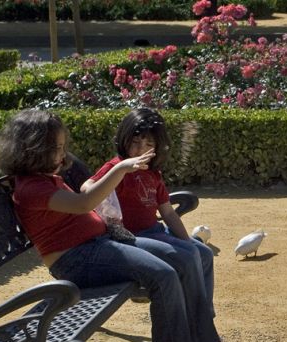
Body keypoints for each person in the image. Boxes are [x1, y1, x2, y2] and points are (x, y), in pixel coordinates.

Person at [0, 109, 220, 342]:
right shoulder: (31, 188)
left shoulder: (44, 177)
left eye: (63, 147)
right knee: (163, 275)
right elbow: (85, 202)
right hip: (77, 259)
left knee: (184, 257)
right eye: (57, 148)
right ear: (35, 151)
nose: (63, 155)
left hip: (101, 243)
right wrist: (121, 168)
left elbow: (79, 185)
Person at [82, 108, 216, 317]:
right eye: (135, 143)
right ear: (124, 140)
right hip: (131, 238)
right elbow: (86, 188)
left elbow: (169, 214)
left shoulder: (152, 173)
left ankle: (203, 314)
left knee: (204, 254)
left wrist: (188, 242)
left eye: (149, 145)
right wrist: (121, 169)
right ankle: (196, 321)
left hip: (155, 231)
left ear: (157, 148)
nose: (140, 150)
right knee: (189, 257)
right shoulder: (116, 166)